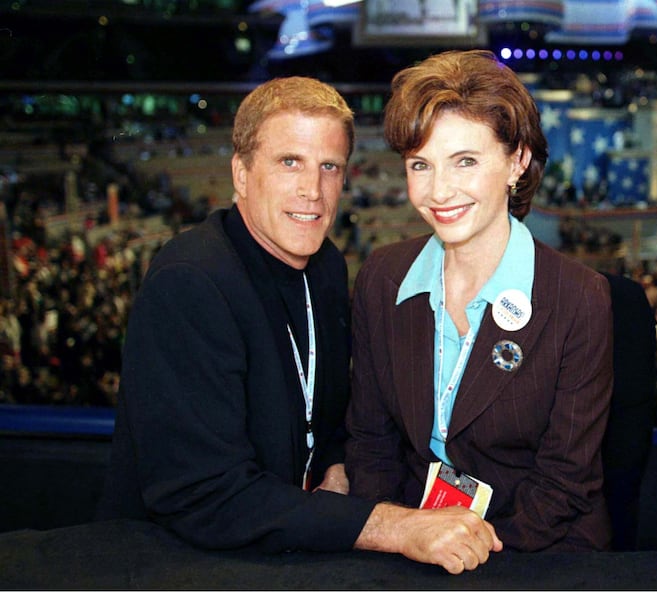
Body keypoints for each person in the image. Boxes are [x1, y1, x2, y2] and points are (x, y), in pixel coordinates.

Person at [95, 76, 500, 575]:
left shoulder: (326, 267)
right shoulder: (190, 283)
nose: (312, 190)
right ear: (240, 173)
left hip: (283, 548)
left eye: (329, 166)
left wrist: (333, 466)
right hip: (177, 563)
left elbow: (324, 415)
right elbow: (204, 495)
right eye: (290, 162)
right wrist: (393, 526)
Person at [345, 50, 615, 552]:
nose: (439, 191)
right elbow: (370, 443)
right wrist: (400, 535)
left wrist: (474, 552)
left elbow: (564, 480)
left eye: (465, 161)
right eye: (420, 165)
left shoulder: (579, 298)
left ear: (518, 161)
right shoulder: (383, 277)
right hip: (413, 539)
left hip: (537, 548)